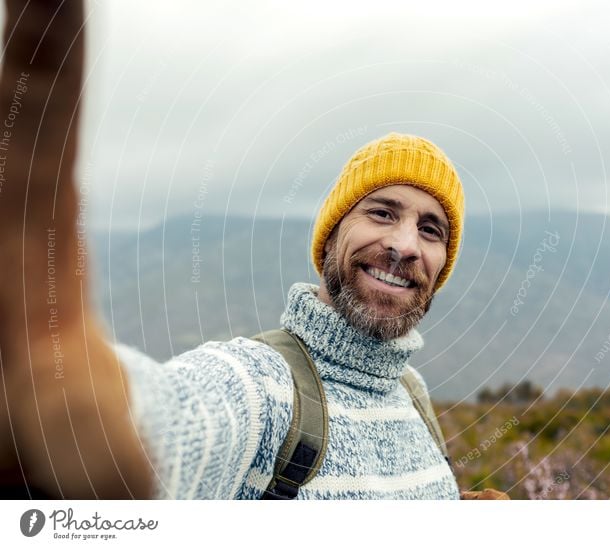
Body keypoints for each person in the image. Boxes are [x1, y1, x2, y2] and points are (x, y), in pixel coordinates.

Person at [0, 0, 508, 500]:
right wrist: (60, 369)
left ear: (442, 267)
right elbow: (166, 428)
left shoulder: (413, 396)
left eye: (431, 229)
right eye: (381, 212)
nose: (403, 245)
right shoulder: (260, 390)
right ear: (330, 236)